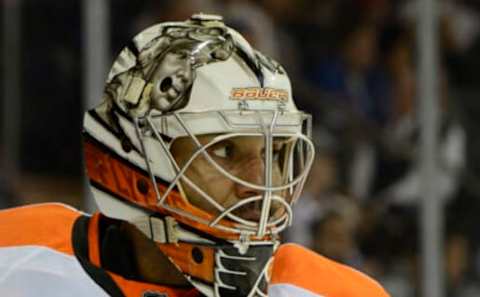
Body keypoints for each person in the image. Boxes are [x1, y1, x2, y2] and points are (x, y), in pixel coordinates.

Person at [0, 14, 390, 297]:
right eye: (225, 150)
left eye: (273, 151)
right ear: (139, 158)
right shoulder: (14, 254)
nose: (261, 182)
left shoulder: (333, 292)